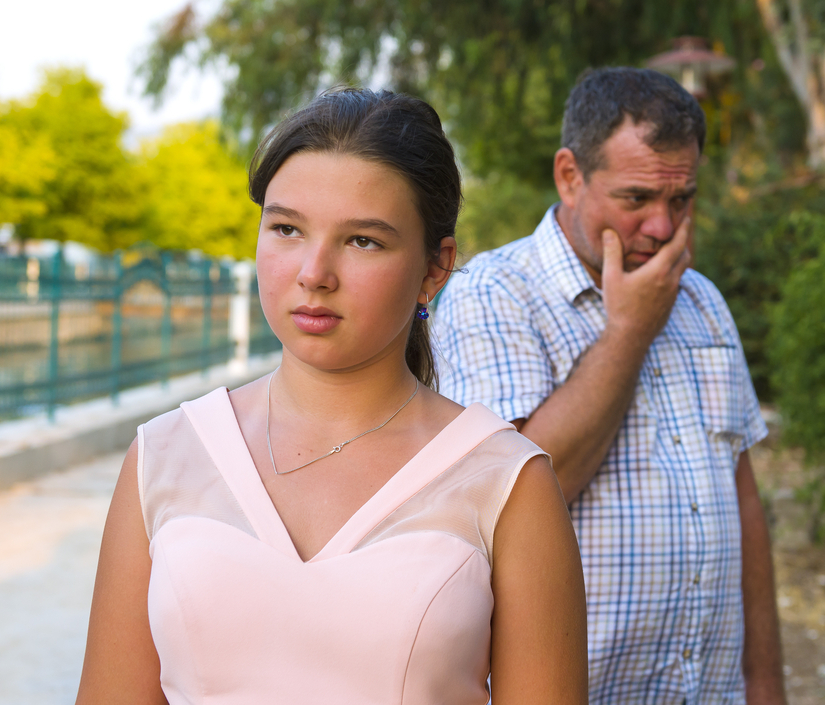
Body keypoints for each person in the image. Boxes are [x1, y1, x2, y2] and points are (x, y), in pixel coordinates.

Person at [76, 87, 587, 705]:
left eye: (362, 241)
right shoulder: (165, 454)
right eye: (287, 228)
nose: (314, 272)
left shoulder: (506, 482)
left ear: (435, 268)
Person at [434, 68, 785, 704]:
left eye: (681, 201)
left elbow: (744, 502)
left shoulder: (702, 300)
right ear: (570, 175)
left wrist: (765, 686)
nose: (662, 227)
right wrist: (628, 331)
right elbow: (529, 491)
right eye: (637, 199)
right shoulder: (494, 294)